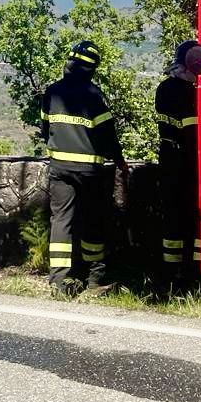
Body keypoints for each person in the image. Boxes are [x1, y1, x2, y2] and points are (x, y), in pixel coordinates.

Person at [39, 41, 124, 294]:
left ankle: (59, 282)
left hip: (59, 167)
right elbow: (107, 135)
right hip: (89, 171)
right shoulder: (94, 96)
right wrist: (119, 159)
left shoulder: (52, 92)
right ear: (92, 69)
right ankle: (95, 279)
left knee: (61, 221)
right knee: (93, 223)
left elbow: (45, 130)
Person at [155, 38, 201, 292]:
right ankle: (198, 275)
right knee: (195, 218)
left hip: (168, 159)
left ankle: (169, 273)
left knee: (172, 218)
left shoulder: (164, 88)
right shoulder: (193, 93)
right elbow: (192, 130)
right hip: (190, 163)